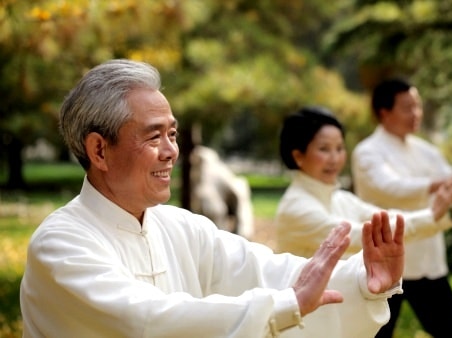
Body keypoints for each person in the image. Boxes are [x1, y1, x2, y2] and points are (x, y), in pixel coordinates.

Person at [20, 59, 406, 338]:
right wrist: (284, 305)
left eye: (172, 134)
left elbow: (264, 270)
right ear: (100, 151)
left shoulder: (179, 225)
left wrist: (362, 279)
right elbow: (146, 320)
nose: (171, 151)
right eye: (154, 136)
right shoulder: (61, 245)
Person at [351, 78, 452, 338]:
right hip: (382, 265)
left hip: (427, 262)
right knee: (374, 334)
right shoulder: (367, 152)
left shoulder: (426, 151)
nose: (416, 114)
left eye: (418, 106)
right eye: (407, 107)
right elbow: (391, 187)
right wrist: (443, 184)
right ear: (384, 112)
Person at [275, 106, 452, 260]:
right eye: (324, 149)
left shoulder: (341, 199)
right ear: (298, 156)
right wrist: (434, 213)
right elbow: (364, 236)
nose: (335, 158)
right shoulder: (296, 208)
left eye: (339, 148)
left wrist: (450, 212)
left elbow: (386, 219)